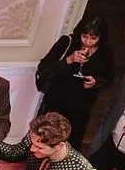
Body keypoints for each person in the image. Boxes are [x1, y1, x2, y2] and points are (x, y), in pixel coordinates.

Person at [35, 14, 114, 148]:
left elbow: (109, 77)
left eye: (93, 38)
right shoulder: (67, 42)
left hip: (81, 107)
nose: (88, 42)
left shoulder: (104, 52)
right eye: (85, 36)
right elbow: (44, 69)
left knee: (70, 143)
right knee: (45, 138)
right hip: (56, 102)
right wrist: (68, 61)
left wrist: (96, 82)